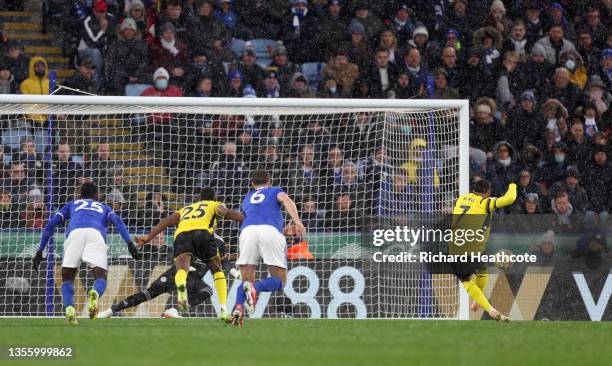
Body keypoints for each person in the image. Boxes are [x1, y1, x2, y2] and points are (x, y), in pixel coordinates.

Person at [32, 182, 140, 325]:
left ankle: (70, 308)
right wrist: (130, 244)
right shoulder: (103, 207)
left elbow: (51, 224)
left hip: (75, 233)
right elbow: (118, 221)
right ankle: (94, 293)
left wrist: (40, 251)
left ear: (80, 194)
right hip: (95, 234)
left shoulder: (72, 204)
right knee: (100, 275)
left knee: (67, 278)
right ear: (96, 195)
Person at [135, 187, 243, 321]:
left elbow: (165, 222)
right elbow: (227, 212)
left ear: (199, 198)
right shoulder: (214, 204)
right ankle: (224, 310)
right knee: (217, 270)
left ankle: (181, 289)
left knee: (182, 268)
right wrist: (245, 219)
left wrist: (148, 237)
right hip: (202, 233)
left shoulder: (186, 209)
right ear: (214, 198)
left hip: (182, 235)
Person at [231, 170, 304, 326]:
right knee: (280, 280)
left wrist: (283, 231)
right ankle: (255, 289)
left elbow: (257, 218)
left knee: (246, 279)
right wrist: (297, 222)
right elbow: (285, 199)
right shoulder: (275, 190)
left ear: (252, 184)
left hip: (247, 231)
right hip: (270, 231)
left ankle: (238, 308)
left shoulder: (247, 198)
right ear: (269, 182)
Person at [98, 235, 231, 319]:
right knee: (147, 294)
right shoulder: (194, 235)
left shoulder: (219, 242)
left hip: (193, 279)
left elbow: (223, 261)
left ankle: (174, 310)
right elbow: (179, 253)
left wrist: (233, 271)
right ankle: (110, 310)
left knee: (207, 291)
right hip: (177, 273)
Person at [451, 179, 517, 321]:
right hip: (475, 247)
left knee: (468, 279)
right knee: (480, 274)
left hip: (456, 246)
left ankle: (483, 305)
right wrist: (512, 183)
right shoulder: (485, 202)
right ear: (487, 192)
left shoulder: (461, 199)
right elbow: (510, 198)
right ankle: (489, 308)